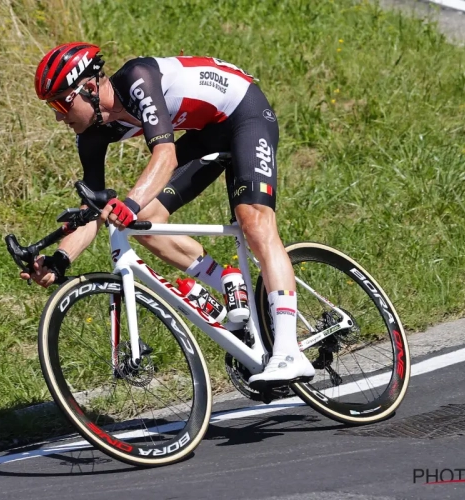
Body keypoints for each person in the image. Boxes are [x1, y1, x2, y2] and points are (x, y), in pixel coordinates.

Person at [21, 42, 314, 387]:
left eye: (60, 102)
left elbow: (166, 156)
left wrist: (127, 205)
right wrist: (59, 261)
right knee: (144, 224)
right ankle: (227, 282)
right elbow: (93, 211)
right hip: (205, 132)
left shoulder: (137, 78)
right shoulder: (91, 136)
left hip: (243, 113)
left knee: (254, 221)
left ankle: (289, 350)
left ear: (88, 88)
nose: (58, 115)